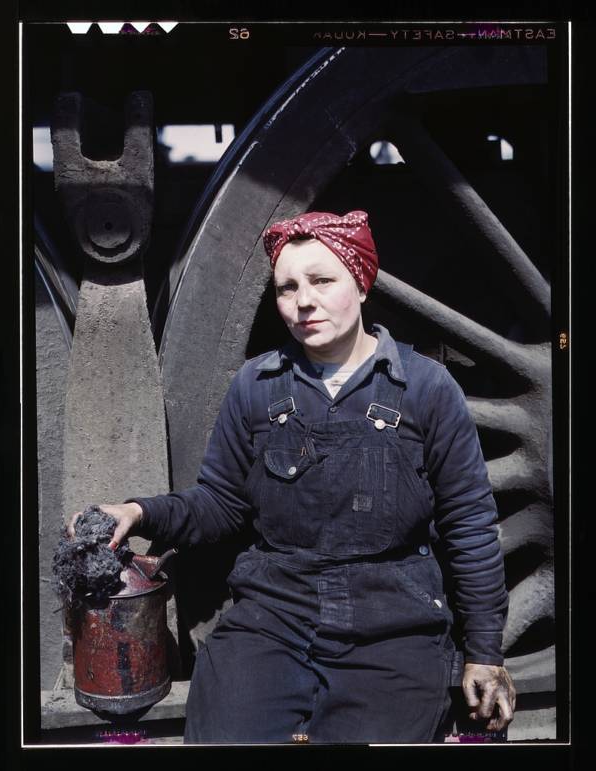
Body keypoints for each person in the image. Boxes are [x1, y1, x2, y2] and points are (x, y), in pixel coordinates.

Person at [68, 209, 516, 744]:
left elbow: (469, 527)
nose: (304, 301)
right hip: (274, 615)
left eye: (323, 280)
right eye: (287, 288)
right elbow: (220, 503)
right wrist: (138, 512)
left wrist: (485, 653)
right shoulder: (255, 386)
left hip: (393, 620)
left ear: (362, 283)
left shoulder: (425, 387)